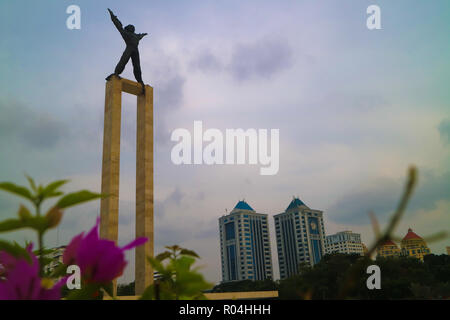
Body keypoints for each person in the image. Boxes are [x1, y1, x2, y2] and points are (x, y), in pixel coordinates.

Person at [106, 9, 148, 93]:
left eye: (133, 28)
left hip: (135, 50)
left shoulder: (136, 36)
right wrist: (113, 17)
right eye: (131, 27)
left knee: (137, 66)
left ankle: (139, 80)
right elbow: (118, 26)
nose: (133, 28)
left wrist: (143, 35)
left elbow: (140, 36)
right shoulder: (125, 33)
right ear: (128, 29)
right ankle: (117, 73)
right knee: (124, 60)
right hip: (129, 48)